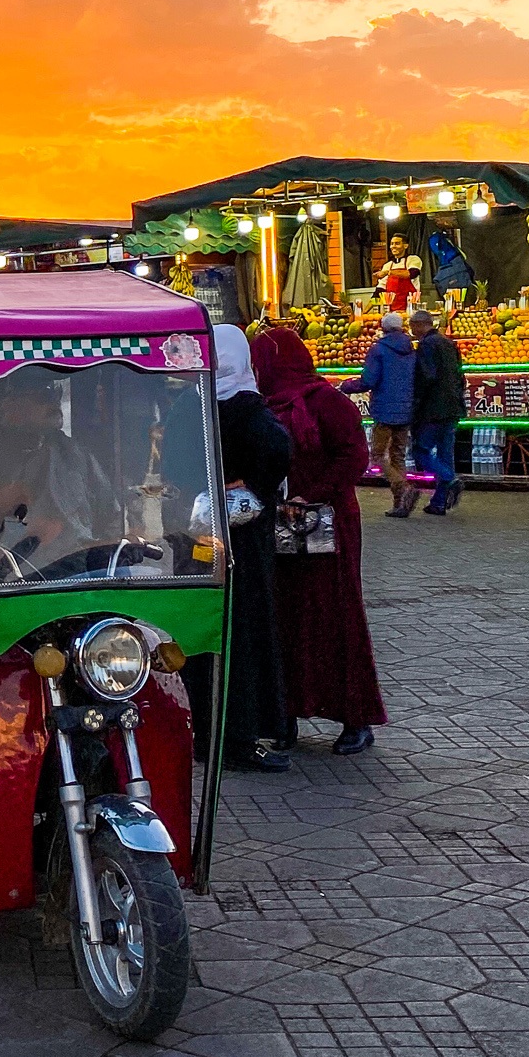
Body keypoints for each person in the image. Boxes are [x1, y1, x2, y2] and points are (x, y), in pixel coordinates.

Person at [251, 327, 387, 756]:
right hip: (282, 524)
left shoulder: (328, 402)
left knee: (336, 615)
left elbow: (354, 457)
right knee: (285, 619)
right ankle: (285, 713)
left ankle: (355, 717)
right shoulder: (262, 407)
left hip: (329, 525)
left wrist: (313, 494)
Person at [213, 325, 292, 773]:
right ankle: (241, 735)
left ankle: (207, 729)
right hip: (243, 538)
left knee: (210, 628)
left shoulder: (195, 404)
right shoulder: (248, 409)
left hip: (196, 537)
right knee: (244, 628)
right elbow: (277, 450)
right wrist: (254, 485)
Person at [340, 312, 417, 517]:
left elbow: (369, 381)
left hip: (384, 410)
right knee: (398, 455)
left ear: (383, 328)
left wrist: (346, 386)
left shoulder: (379, 350)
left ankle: (403, 487)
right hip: (406, 408)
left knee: (376, 455)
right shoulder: (411, 350)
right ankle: (400, 505)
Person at [409, 311, 466, 515]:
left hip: (434, 408)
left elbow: (427, 377)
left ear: (418, 325)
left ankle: (450, 479)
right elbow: (460, 374)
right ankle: (439, 502)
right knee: (445, 452)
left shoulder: (426, 346)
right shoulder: (449, 343)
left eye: (411, 326)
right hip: (453, 406)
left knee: (421, 450)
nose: (411, 331)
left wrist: (416, 403)